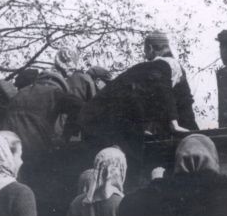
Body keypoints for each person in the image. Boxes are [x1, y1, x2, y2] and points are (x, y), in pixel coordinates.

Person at [80, 32, 196, 171]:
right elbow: (182, 99)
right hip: (106, 119)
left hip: (97, 117)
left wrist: (175, 123)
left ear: (150, 48)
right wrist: (190, 130)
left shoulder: (162, 64)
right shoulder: (172, 66)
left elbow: (165, 90)